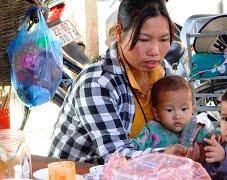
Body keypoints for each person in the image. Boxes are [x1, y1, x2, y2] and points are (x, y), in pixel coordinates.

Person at [48, 0, 188, 164]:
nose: (155, 51)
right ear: (119, 33)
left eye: (164, 40)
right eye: (143, 40)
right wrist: (165, 155)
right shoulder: (97, 83)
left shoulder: (163, 71)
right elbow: (117, 158)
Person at [130, 75, 211, 151]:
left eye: (183, 109)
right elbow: (134, 151)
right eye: (169, 110)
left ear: (192, 110)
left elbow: (214, 144)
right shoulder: (150, 130)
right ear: (156, 114)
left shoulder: (198, 128)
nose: (177, 116)